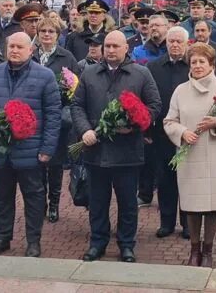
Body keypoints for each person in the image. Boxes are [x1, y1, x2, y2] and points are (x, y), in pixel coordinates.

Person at [71, 31, 161, 263]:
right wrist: (85, 130)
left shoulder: (141, 74)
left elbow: (154, 105)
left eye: (115, 46)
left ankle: (126, 244)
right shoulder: (89, 73)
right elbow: (77, 106)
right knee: (98, 201)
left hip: (128, 151)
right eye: (107, 46)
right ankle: (97, 242)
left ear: (126, 48)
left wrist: (135, 124)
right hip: (96, 151)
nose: (110, 50)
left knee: (127, 202)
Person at [0, 32, 61, 258]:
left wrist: (47, 149)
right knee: (2, 196)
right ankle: (2, 238)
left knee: (33, 196)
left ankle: (33, 241)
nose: (14, 50)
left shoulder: (45, 76)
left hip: (30, 150)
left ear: (30, 50)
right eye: (11, 46)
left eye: (19, 47)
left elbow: (53, 115)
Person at [164, 43, 216, 267]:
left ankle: (207, 250)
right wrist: (182, 133)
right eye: (194, 62)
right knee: (192, 205)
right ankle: (194, 249)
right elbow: (169, 121)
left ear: (211, 64)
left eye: (202, 61)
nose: (197, 66)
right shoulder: (181, 91)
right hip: (190, 156)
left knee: (212, 206)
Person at [33, 16, 81, 223]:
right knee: (36, 164)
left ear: (57, 35)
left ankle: (53, 203)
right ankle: (39, 202)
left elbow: (77, 87)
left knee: (54, 163)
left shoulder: (66, 57)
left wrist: (66, 90)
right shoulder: (31, 55)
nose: (46, 35)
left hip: (57, 117)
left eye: (51, 32)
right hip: (34, 117)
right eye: (43, 31)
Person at [146, 27, 191, 239]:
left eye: (178, 41)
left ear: (186, 43)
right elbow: (147, 99)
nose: (174, 45)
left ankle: (188, 224)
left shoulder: (194, 66)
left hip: (189, 133)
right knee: (165, 180)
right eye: (171, 41)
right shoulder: (154, 67)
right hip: (162, 133)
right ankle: (167, 222)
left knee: (187, 179)